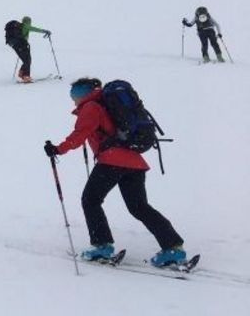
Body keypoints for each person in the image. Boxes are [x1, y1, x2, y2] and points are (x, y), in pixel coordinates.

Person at [43, 78, 187, 267]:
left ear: (83, 94)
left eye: (75, 95)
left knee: (90, 200)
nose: (73, 100)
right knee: (139, 207)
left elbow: (79, 135)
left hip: (112, 161)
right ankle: (173, 247)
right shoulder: (105, 104)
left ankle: (102, 246)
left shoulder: (91, 107)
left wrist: (57, 149)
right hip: (134, 162)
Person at [5, 16, 51, 83]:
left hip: (15, 45)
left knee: (25, 59)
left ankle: (21, 73)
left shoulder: (19, 27)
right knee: (27, 60)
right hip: (21, 45)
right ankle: (26, 76)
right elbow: (35, 29)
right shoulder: (26, 26)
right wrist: (44, 31)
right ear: (28, 22)